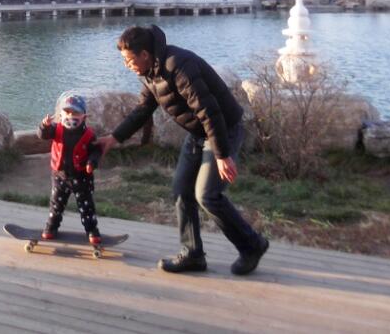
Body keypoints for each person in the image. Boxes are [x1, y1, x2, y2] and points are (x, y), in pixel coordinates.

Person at [97, 25, 270, 276]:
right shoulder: (151, 72)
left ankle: (252, 245)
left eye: (129, 60)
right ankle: (192, 255)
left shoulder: (178, 66)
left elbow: (209, 111)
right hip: (199, 134)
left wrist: (222, 155)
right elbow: (143, 109)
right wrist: (113, 138)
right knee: (181, 190)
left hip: (223, 130)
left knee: (207, 195)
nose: (127, 65)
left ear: (144, 54)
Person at [39, 93, 103, 245]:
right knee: (56, 204)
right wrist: (44, 126)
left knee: (86, 206)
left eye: (75, 113)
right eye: (67, 112)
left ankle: (92, 230)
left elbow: (96, 150)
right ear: (60, 114)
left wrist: (92, 162)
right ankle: (51, 227)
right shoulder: (56, 129)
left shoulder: (88, 134)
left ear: (84, 116)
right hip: (59, 176)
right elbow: (43, 135)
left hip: (82, 177)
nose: (70, 116)